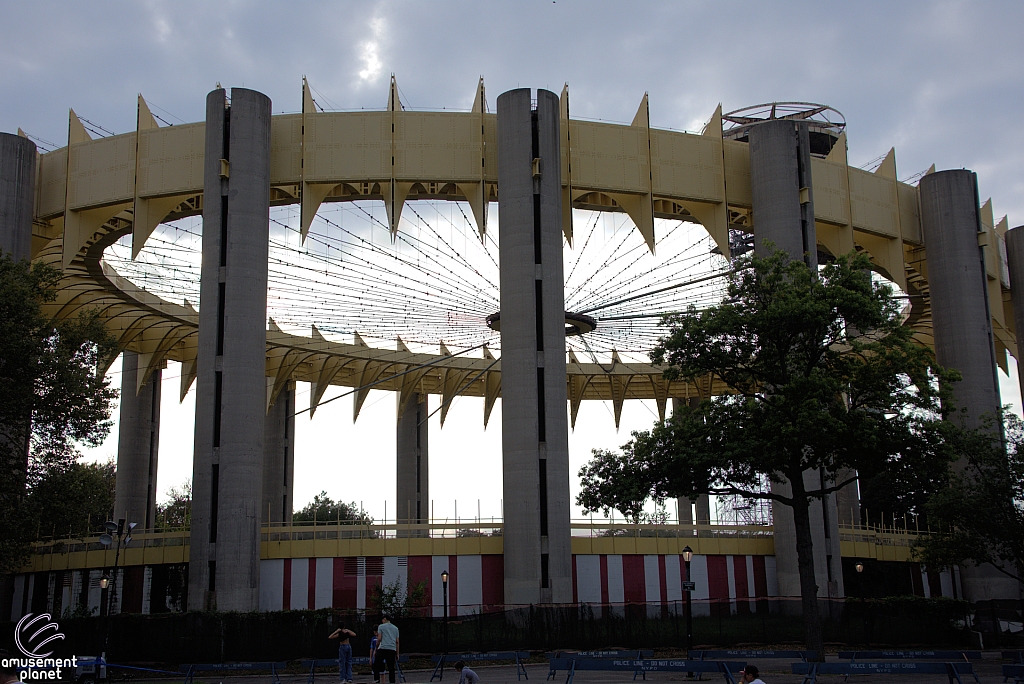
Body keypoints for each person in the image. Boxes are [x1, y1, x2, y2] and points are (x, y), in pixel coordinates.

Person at [372, 613, 400, 684]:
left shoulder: (381, 627)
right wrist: (397, 653)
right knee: (391, 667)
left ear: (384, 619)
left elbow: (379, 639)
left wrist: (376, 649)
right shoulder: (395, 628)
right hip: (392, 649)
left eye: (382, 620)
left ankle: (377, 679)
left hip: (383, 648)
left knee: (376, 664)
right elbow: (397, 641)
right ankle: (392, 681)